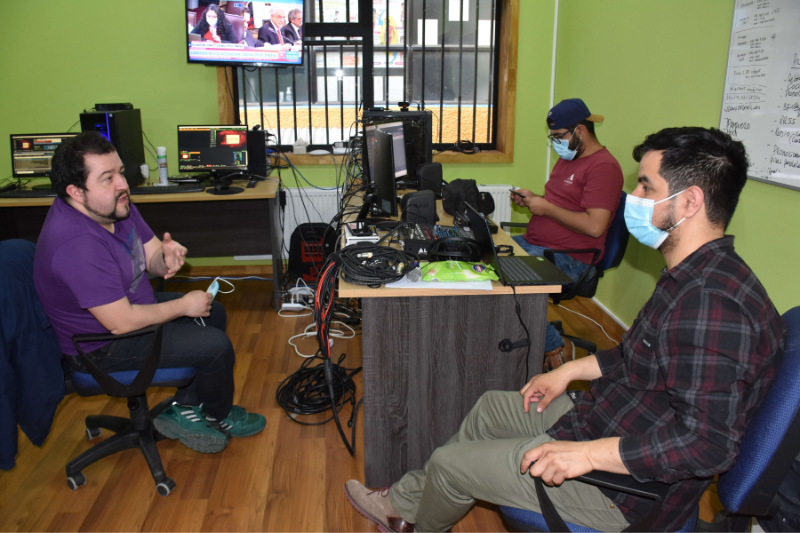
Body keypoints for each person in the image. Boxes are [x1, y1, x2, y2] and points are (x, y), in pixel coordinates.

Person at [344, 127, 785, 532]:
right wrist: (568, 372)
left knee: (449, 464)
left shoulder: (713, 304)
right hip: (608, 419)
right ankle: (403, 506)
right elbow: (641, 354)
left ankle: (417, 523)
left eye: (647, 186)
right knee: (489, 409)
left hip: (626, 493)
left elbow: (707, 445)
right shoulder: (690, 275)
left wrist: (587, 455)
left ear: (689, 202)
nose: (633, 196)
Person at [33, 132, 266, 454]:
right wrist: (184, 304)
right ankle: (218, 415)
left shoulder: (115, 207)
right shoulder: (77, 244)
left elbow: (152, 257)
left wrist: (166, 258)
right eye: (107, 178)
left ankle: (186, 408)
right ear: (76, 191)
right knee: (215, 346)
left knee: (214, 311)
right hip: (101, 346)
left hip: (128, 311)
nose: (121, 184)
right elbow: (122, 322)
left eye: (120, 172)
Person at [511, 98, 624, 372]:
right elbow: (560, 204)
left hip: (572, 258)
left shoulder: (603, 167)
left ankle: (553, 345)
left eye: (559, 137)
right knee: (484, 259)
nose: (556, 143)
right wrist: (534, 200)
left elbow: (595, 226)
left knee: (508, 278)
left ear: (580, 131)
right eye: (552, 138)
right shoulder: (568, 158)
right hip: (538, 244)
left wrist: (546, 207)